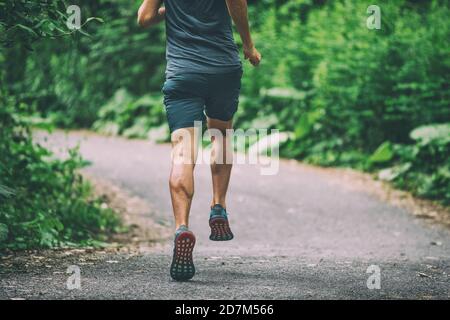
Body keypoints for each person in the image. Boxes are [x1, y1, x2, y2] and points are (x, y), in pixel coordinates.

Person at [137, 0, 261, 281]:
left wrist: (170, 11)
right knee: (221, 134)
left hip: (183, 74)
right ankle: (218, 206)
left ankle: (182, 227)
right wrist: (248, 45)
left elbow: (144, 18)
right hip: (222, 69)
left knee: (183, 152)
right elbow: (237, 4)